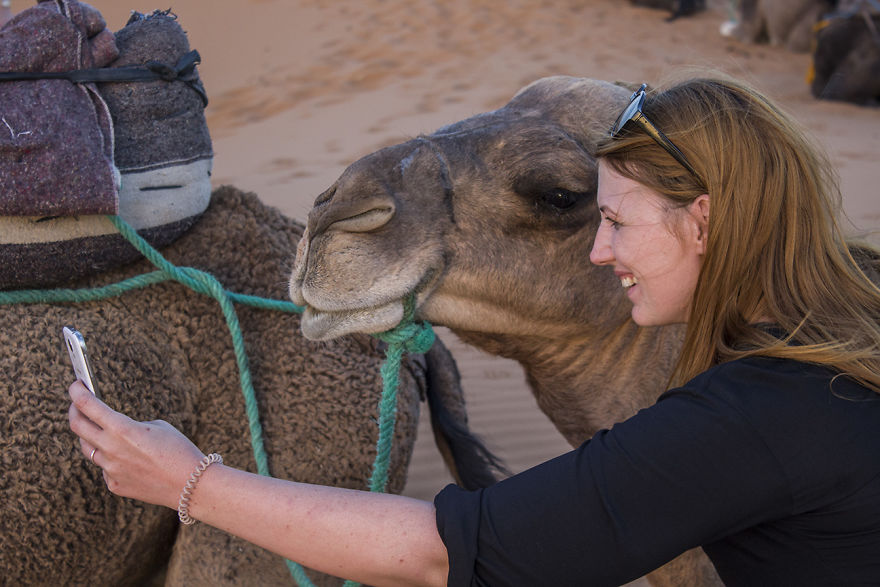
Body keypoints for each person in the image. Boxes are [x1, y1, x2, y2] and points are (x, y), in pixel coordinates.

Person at [67, 75, 880, 586]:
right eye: (589, 214)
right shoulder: (844, 316)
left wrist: (187, 479)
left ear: (702, 221)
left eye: (604, 218)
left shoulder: (757, 416)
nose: (603, 252)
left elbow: (446, 551)